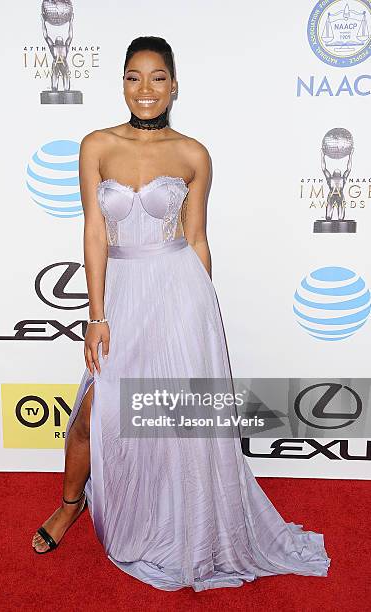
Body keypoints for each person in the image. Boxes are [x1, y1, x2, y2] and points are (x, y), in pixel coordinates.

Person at [32, 36, 331, 592]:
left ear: (174, 85)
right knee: (95, 410)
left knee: (178, 418)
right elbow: (95, 233)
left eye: (157, 77)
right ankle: (70, 504)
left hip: (180, 293)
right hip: (122, 293)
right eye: (133, 77)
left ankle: (177, 520)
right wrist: (96, 316)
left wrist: (204, 317)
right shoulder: (96, 144)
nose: (145, 89)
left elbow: (197, 238)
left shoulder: (194, 154)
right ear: (121, 82)